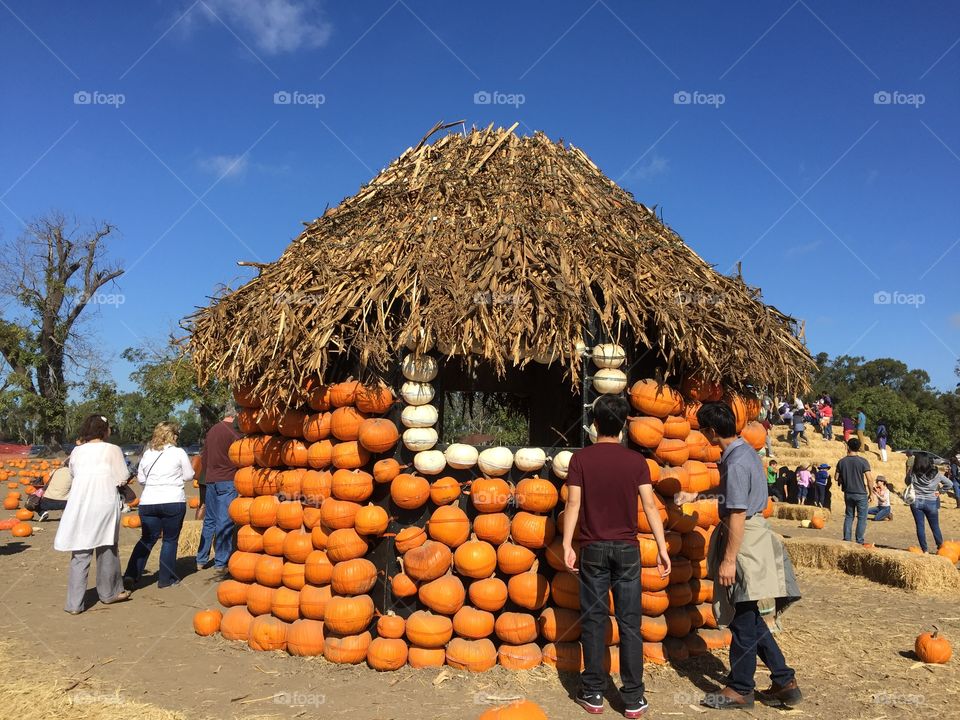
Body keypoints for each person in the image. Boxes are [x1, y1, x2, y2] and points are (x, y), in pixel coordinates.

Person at [562, 394, 670, 719]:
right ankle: (634, 698)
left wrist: (567, 543)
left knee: (595, 619)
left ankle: (594, 692)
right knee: (630, 623)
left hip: (593, 548)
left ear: (594, 425)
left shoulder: (580, 460)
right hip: (627, 550)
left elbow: (573, 505)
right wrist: (662, 547)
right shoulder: (636, 462)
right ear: (623, 426)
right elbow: (650, 506)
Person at [692, 402, 801, 710]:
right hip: (752, 536)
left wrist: (728, 560)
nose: (703, 437)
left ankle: (741, 688)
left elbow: (738, 512)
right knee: (751, 618)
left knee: (742, 616)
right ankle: (784, 681)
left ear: (712, 431)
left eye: (703, 431)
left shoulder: (737, 461)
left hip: (745, 542)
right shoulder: (746, 452)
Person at [53, 415, 132, 614]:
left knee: (80, 551)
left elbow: (73, 474)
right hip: (104, 502)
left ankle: (74, 604)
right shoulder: (112, 449)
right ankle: (109, 593)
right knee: (107, 548)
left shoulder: (77, 451)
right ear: (104, 430)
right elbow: (122, 477)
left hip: (80, 503)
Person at [123, 422, 194, 589]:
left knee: (147, 539)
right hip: (173, 500)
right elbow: (189, 475)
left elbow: (141, 479)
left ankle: (131, 575)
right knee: (170, 540)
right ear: (173, 436)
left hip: (148, 501)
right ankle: (165, 579)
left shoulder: (148, 454)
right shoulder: (178, 452)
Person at [201, 405, 242, 572]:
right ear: (236, 415)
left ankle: (201, 559)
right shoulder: (235, 433)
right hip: (227, 480)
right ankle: (220, 561)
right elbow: (241, 457)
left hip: (211, 480)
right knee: (224, 521)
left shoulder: (212, 431)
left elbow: (204, 457)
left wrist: (208, 474)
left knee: (209, 520)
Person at [905, 454, 952, 553]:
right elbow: (949, 484)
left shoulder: (913, 473)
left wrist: (910, 473)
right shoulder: (936, 474)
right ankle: (941, 548)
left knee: (920, 526)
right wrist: (940, 491)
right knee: (935, 526)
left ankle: (924, 550)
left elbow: (907, 482)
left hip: (916, 502)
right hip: (931, 502)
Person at [836, 438, 874, 545]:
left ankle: (847, 539)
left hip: (848, 493)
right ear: (858, 448)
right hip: (861, 493)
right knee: (862, 518)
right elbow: (869, 479)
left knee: (849, 516)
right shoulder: (863, 461)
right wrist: (871, 493)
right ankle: (859, 541)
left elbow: (835, 477)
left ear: (848, 447)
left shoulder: (841, 461)